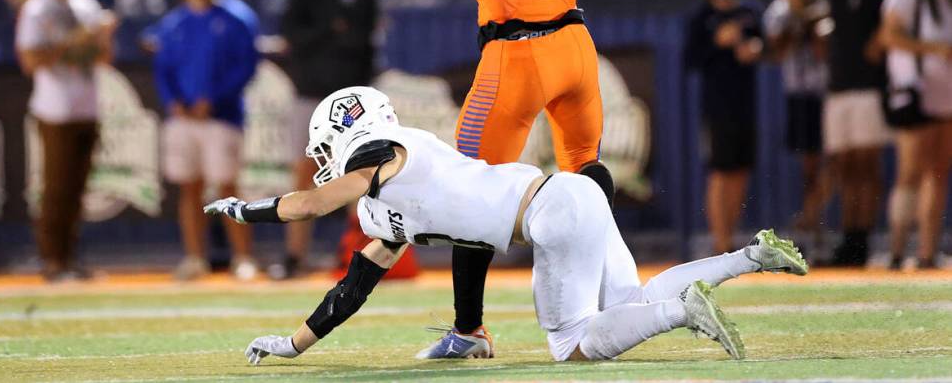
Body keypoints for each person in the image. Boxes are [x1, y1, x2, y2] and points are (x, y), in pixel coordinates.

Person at [280, 0, 803, 358]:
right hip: (577, 50)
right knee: (587, 174)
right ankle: (617, 299)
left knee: (468, 196)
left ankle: (469, 331)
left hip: (516, 57)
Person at [204, 86, 808, 366]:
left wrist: (243, 208)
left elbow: (311, 204)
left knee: (571, 345)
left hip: (549, 214)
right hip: (567, 196)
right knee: (630, 301)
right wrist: (293, 344)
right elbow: (351, 290)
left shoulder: (379, 155)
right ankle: (749, 257)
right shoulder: (390, 192)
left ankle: (686, 313)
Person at [273, 0, 376, 279]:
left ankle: (358, 252)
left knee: (357, 174)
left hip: (350, 99)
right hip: (310, 93)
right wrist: (331, 30)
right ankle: (294, 255)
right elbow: (294, 39)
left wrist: (324, 34)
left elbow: (360, 41)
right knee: (303, 173)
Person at [154, 0, 259, 281]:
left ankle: (243, 257)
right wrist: (174, 101)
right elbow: (163, 69)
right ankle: (194, 258)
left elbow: (246, 66)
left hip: (222, 117)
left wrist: (213, 100)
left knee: (228, 186)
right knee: (189, 188)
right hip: (183, 119)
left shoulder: (237, 18)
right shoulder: (173, 24)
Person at [15, 0, 116, 281]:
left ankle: (69, 259)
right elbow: (30, 60)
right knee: (56, 189)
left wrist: (100, 39)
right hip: (54, 111)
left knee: (77, 190)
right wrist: (75, 41)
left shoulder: (87, 5)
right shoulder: (36, 9)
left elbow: (102, 57)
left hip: (87, 107)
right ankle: (52, 260)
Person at [879, 0, 952, 270]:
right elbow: (888, 36)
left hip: (946, 97)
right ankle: (896, 250)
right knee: (909, 173)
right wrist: (934, 50)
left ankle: (926, 252)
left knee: (937, 174)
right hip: (916, 94)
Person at [684, 0, 763, 254]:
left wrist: (754, 48)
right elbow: (689, 59)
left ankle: (730, 234)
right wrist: (717, 43)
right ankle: (721, 243)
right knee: (720, 170)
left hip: (745, 102)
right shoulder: (701, 17)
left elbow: (763, 44)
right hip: (717, 106)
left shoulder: (751, 11)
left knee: (741, 170)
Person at [823, 0, 891, 267]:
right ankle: (848, 238)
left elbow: (892, 25)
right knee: (844, 166)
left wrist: (878, 43)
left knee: (867, 165)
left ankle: (863, 237)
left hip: (867, 89)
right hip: (838, 90)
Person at [764, 0, 831, 250]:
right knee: (810, 165)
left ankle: (809, 215)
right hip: (800, 95)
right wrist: (800, 14)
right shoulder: (779, 10)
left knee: (842, 161)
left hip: (830, 92)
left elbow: (825, 47)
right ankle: (813, 229)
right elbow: (778, 52)